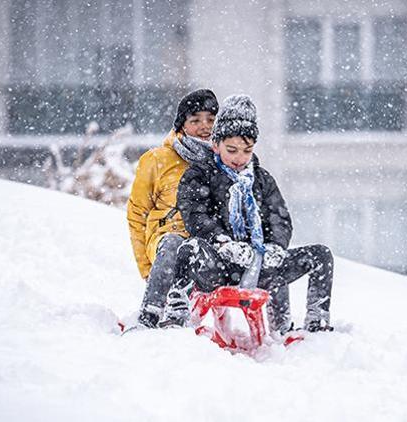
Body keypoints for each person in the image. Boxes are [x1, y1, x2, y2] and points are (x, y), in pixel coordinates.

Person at [160, 94, 334, 333]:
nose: (239, 158)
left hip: (260, 265)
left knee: (320, 255)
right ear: (215, 144)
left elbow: (279, 218)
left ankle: (317, 323)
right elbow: (195, 216)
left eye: (246, 150)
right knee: (189, 249)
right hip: (218, 266)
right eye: (231, 150)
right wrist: (223, 242)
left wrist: (275, 246)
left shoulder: (262, 180)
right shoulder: (200, 175)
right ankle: (176, 314)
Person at [126, 89, 218, 329]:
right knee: (174, 243)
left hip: (204, 243)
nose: (204, 126)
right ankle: (150, 314)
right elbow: (137, 214)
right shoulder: (157, 160)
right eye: (195, 120)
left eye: (210, 119)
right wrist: (148, 269)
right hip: (165, 241)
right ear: (181, 125)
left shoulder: (224, 160)